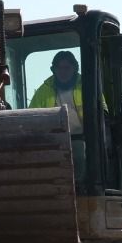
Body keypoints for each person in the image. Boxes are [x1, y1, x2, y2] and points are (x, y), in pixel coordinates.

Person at [29, 50, 86, 178]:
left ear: (75, 69)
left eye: (67, 68)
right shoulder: (43, 91)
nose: (63, 72)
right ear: (53, 70)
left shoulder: (87, 86)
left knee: (79, 152)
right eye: (59, 68)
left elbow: (103, 110)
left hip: (82, 139)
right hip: (53, 142)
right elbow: (31, 117)